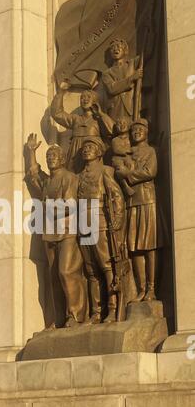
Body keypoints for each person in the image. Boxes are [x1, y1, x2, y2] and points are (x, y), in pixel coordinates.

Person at [25, 133, 87, 328]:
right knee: (52, 278)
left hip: (67, 232)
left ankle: (75, 315)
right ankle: (57, 319)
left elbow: (70, 205)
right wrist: (31, 152)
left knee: (66, 272)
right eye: (48, 157)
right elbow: (34, 173)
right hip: (49, 234)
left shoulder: (69, 178)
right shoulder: (48, 181)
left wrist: (47, 206)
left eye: (54, 156)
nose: (51, 159)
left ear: (62, 159)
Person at [78, 137, 126, 323]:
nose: (86, 150)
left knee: (107, 266)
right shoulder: (79, 176)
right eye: (84, 147)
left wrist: (118, 218)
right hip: (83, 222)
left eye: (90, 147)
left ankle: (113, 309)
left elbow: (117, 196)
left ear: (99, 152)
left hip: (100, 220)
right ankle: (96, 312)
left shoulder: (105, 171)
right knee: (91, 270)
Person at [115, 118, 160, 301]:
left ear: (146, 131)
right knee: (134, 247)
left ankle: (151, 288)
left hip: (147, 199)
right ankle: (141, 289)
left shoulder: (150, 151)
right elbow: (118, 172)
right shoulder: (127, 154)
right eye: (134, 130)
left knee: (150, 246)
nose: (136, 132)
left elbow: (150, 172)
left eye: (140, 129)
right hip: (132, 202)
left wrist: (128, 175)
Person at [50, 82, 114, 173]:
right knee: (73, 177)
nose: (85, 99)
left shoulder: (99, 119)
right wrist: (61, 92)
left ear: (95, 101)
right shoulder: (76, 118)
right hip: (75, 152)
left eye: (88, 97)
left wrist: (101, 114)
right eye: (82, 97)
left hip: (93, 152)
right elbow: (57, 113)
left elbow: (113, 131)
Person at [102, 38, 143, 121]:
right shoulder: (107, 73)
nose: (115, 49)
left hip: (132, 105)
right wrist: (132, 78)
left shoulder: (132, 63)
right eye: (112, 48)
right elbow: (112, 88)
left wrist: (151, 32)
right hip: (115, 109)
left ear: (125, 51)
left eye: (118, 46)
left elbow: (147, 52)